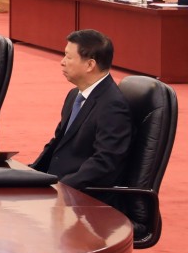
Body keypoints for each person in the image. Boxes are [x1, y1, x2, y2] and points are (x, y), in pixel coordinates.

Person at [30, 30, 131, 199]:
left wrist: (63, 187)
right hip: (59, 185)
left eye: (68, 57)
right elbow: (58, 142)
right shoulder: (74, 95)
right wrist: (31, 173)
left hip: (83, 196)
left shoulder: (112, 105)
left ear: (90, 65)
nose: (62, 62)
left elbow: (104, 162)